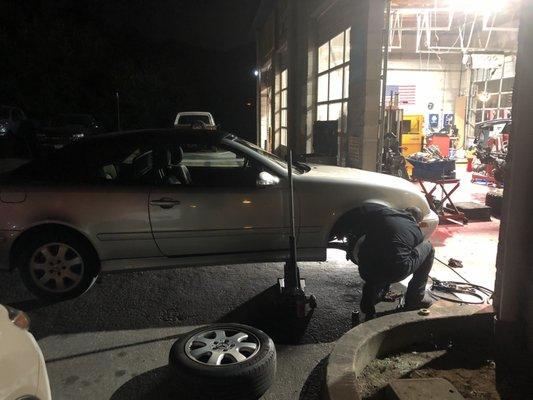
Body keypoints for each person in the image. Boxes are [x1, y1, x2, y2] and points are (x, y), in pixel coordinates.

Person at [351, 203, 434, 319]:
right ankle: (415, 298)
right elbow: (397, 254)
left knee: (381, 249)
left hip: (365, 270)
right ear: (418, 222)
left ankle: (370, 296)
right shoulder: (415, 230)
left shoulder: (384, 213)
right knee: (428, 248)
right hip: (395, 272)